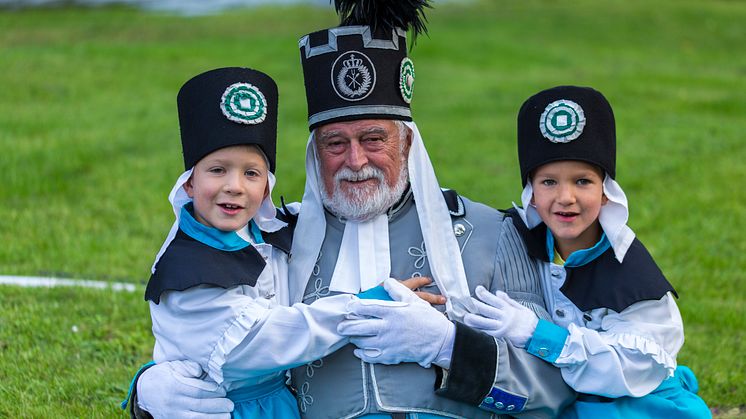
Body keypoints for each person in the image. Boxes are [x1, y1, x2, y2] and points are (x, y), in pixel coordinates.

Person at [130, 1, 577, 417]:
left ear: (407, 142)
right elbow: (207, 332)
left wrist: (449, 347)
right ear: (313, 152)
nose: (356, 161)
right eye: (335, 144)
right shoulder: (270, 244)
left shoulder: (492, 234)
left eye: (373, 139)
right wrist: (147, 390)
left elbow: (555, 392)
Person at [461, 85, 710, 418]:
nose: (565, 196)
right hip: (548, 393)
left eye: (582, 181)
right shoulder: (516, 241)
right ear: (531, 192)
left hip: (624, 403)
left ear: (606, 192)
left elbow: (634, 369)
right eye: (549, 181)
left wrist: (539, 334)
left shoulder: (631, 274)